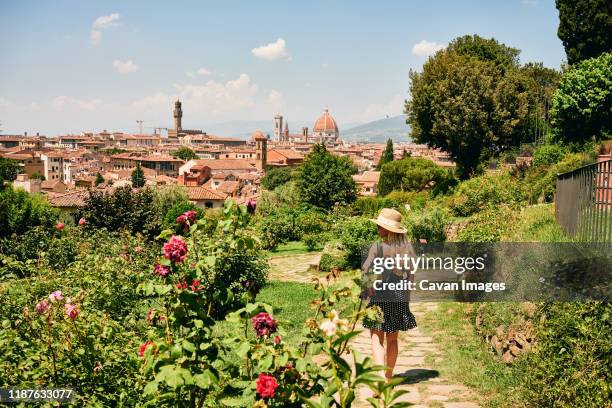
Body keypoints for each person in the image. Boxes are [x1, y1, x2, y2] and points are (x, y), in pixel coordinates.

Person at [362, 208, 417, 380]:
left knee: (376, 337)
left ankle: (379, 376)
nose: (378, 228)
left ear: (388, 229)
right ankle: (389, 375)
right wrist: (407, 296)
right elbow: (411, 274)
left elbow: (365, 270)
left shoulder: (377, 247)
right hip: (399, 295)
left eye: (380, 226)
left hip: (379, 295)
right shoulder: (407, 249)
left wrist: (367, 287)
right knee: (392, 339)